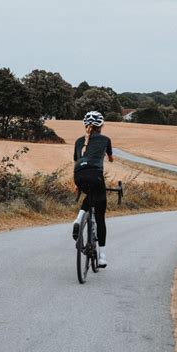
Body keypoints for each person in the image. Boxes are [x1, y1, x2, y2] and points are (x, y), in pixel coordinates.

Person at [73, 111, 113, 268]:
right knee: (100, 215)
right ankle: (102, 256)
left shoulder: (78, 141)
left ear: (85, 125)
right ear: (101, 125)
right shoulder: (105, 139)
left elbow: (77, 161)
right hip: (95, 175)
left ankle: (78, 218)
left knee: (89, 195)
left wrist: (76, 183)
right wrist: (109, 157)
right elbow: (110, 158)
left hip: (79, 175)